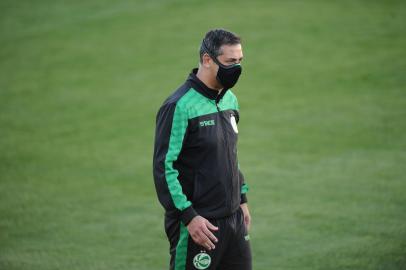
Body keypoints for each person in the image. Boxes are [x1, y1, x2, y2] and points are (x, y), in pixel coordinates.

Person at [153, 28, 252, 270]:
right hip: (199, 225)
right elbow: (164, 168)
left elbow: (229, 155)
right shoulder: (179, 106)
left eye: (240, 61)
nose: (236, 69)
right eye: (230, 62)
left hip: (233, 220)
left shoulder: (230, 100)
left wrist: (242, 198)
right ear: (207, 60)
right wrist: (189, 216)